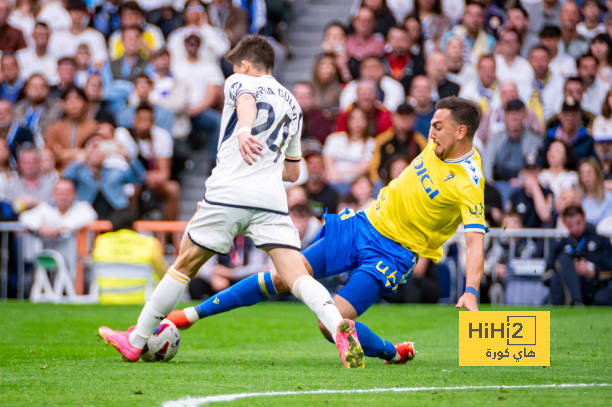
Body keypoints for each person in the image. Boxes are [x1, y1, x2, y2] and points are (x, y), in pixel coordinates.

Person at [98, 35, 366, 369]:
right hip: (269, 198)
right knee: (296, 275)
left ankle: (136, 340)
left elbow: (248, 100)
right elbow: (294, 171)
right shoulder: (294, 104)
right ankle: (337, 323)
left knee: (184, 265)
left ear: (246, 65)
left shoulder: (240, 81)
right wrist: (266, 161)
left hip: (229, 191)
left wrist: (244, 131)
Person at [166, 96, 486, 365]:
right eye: (430, 125)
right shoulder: (437, 146)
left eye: (437, 127)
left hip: (393, 253)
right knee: (284, 275)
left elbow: (474, 242)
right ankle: (190, 315)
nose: (429, 133)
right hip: (362, 224)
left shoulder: (469, 183)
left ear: (461, 132)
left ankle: (391, 352)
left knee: (328, 323)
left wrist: (471, 290)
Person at [545, 204, 612, 305]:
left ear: (584, 218)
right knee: (563, 261)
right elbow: (547, 274)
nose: (575, 228)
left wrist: (593, 271)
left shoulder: (600, 240)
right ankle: (576, 301)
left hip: (594, 286)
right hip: (564, 288)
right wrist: (568, 270)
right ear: (564, 223)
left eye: (578, 223)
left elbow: (609, 269)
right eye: (570, 225)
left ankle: (576, 302)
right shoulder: (560, 244)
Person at [577, 157, 612, 226]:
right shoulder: (577, 198)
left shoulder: (608, 197)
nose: (585, 176)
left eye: (589, 172)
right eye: (582, 173)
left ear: (597, 174)